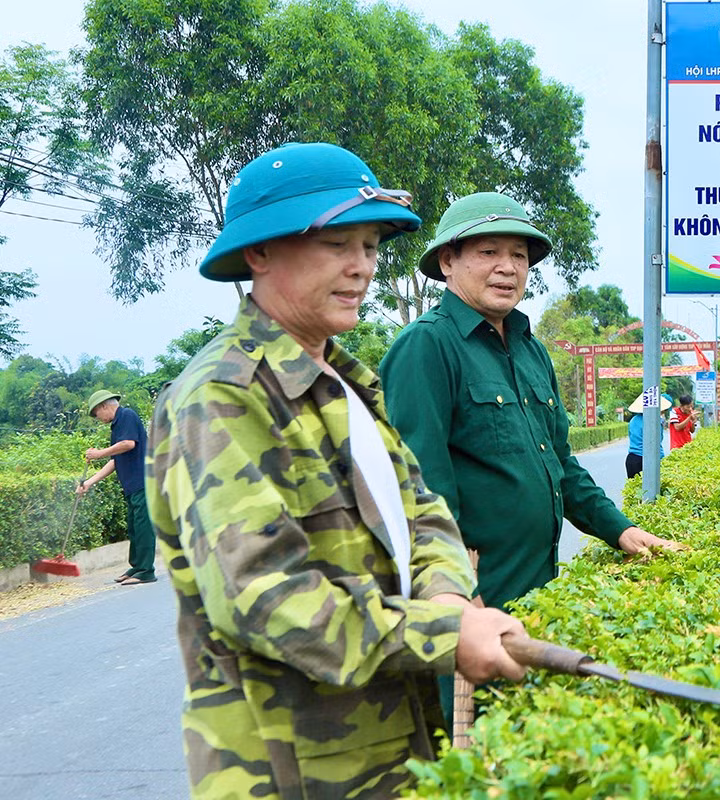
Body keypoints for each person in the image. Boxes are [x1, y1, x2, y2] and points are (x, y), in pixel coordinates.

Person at [144, 143, 527, 799]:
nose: (361, 267)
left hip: (392, 753)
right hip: (291, 774)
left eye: (371, 247)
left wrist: (446, 596)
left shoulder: (345, 381)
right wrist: (443, 633)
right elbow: (265, 598)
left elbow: (422, 511)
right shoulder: (223, 398)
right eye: (336, 245)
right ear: (259, 253)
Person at [379, 191, 679, 613]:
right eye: (489, 252)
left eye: (519, 255)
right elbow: (421, 489)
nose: (508, 267)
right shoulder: (426, 345)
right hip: (476, 602)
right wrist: (458, 595)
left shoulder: (531, 351)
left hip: (538, 592)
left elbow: (561, 465)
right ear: (448, 261)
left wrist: (621, 530)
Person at [77, 390, 156, 585]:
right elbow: (114, 461)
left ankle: (146, 571)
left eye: (96, 414)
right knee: (134, 527)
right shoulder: (117, 426)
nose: (98, 418)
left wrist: (99, 453)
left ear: (104, 406)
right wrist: (89, 482)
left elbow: (128, 444)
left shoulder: (127, 415)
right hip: (132, 486)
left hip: (143, 482)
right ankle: (137, 567)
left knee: (143, 527)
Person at [625, 393, 669, 479]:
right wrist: (662, 460)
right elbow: (657, 443)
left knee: (634, 486)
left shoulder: (633, 420)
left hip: (632, 459)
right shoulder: (654, 421)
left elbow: (631, 436)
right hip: (647, 460)